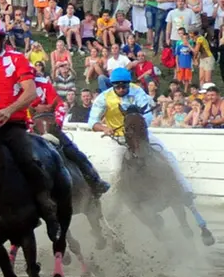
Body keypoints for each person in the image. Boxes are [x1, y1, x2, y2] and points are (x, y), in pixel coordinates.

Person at [0, 17, 61, 241]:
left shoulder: (17, 60)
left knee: (28, 161)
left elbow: (31, 93)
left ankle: (47, 208)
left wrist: (9, 109)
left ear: (2, 40)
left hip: (12, 125)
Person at [88, 67, 212, 235]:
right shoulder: (103, 98)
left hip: (140, 134)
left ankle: (184, 189)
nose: (121, 89)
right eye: (118, 87)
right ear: (113, 85)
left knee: (167, 155)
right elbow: (92, 121)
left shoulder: (137, 91)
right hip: (117, 138)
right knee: (115, 169)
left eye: (124, 86)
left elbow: (147, 115)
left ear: (128, 83)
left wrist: (137, 125)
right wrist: (103, 127)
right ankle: (117, 204)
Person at [32, 76, 111, 196]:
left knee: (74, 152)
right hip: (29, 129)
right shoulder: (12, 87)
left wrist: (56, 124)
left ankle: (95, 181)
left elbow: (59, 105)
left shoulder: (43, 84)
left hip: (50, 126)